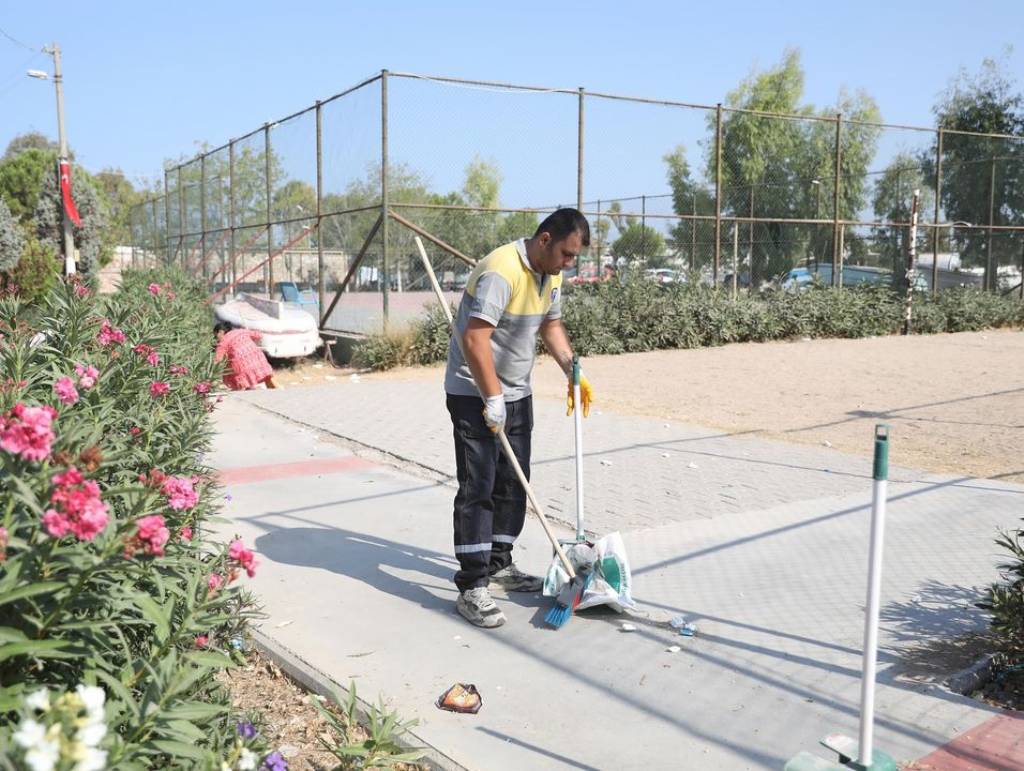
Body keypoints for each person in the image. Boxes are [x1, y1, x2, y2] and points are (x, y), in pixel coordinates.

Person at [444, 208, 594, 628]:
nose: (569, 264)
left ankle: (498, 564)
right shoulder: (501, 271)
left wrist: (571, 369)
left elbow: (552, 324)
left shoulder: (552, 274)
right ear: (544, 240)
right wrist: (491, 397)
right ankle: (472, 586)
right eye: (566, 254)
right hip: (474, 391)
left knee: (515, 480)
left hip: (516, 392)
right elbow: (475, 338)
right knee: (479, 485)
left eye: (573, 257)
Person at [214, 322, 277, 391]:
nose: (216, 339)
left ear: (221, 332)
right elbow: (259, 335)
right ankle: (277, 392)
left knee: (231, 374)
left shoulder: (223, 342)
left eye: (215, 336)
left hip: (242, 369)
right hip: (259, 362)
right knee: (268, 379)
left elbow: (217, 360)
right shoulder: (241, 331)